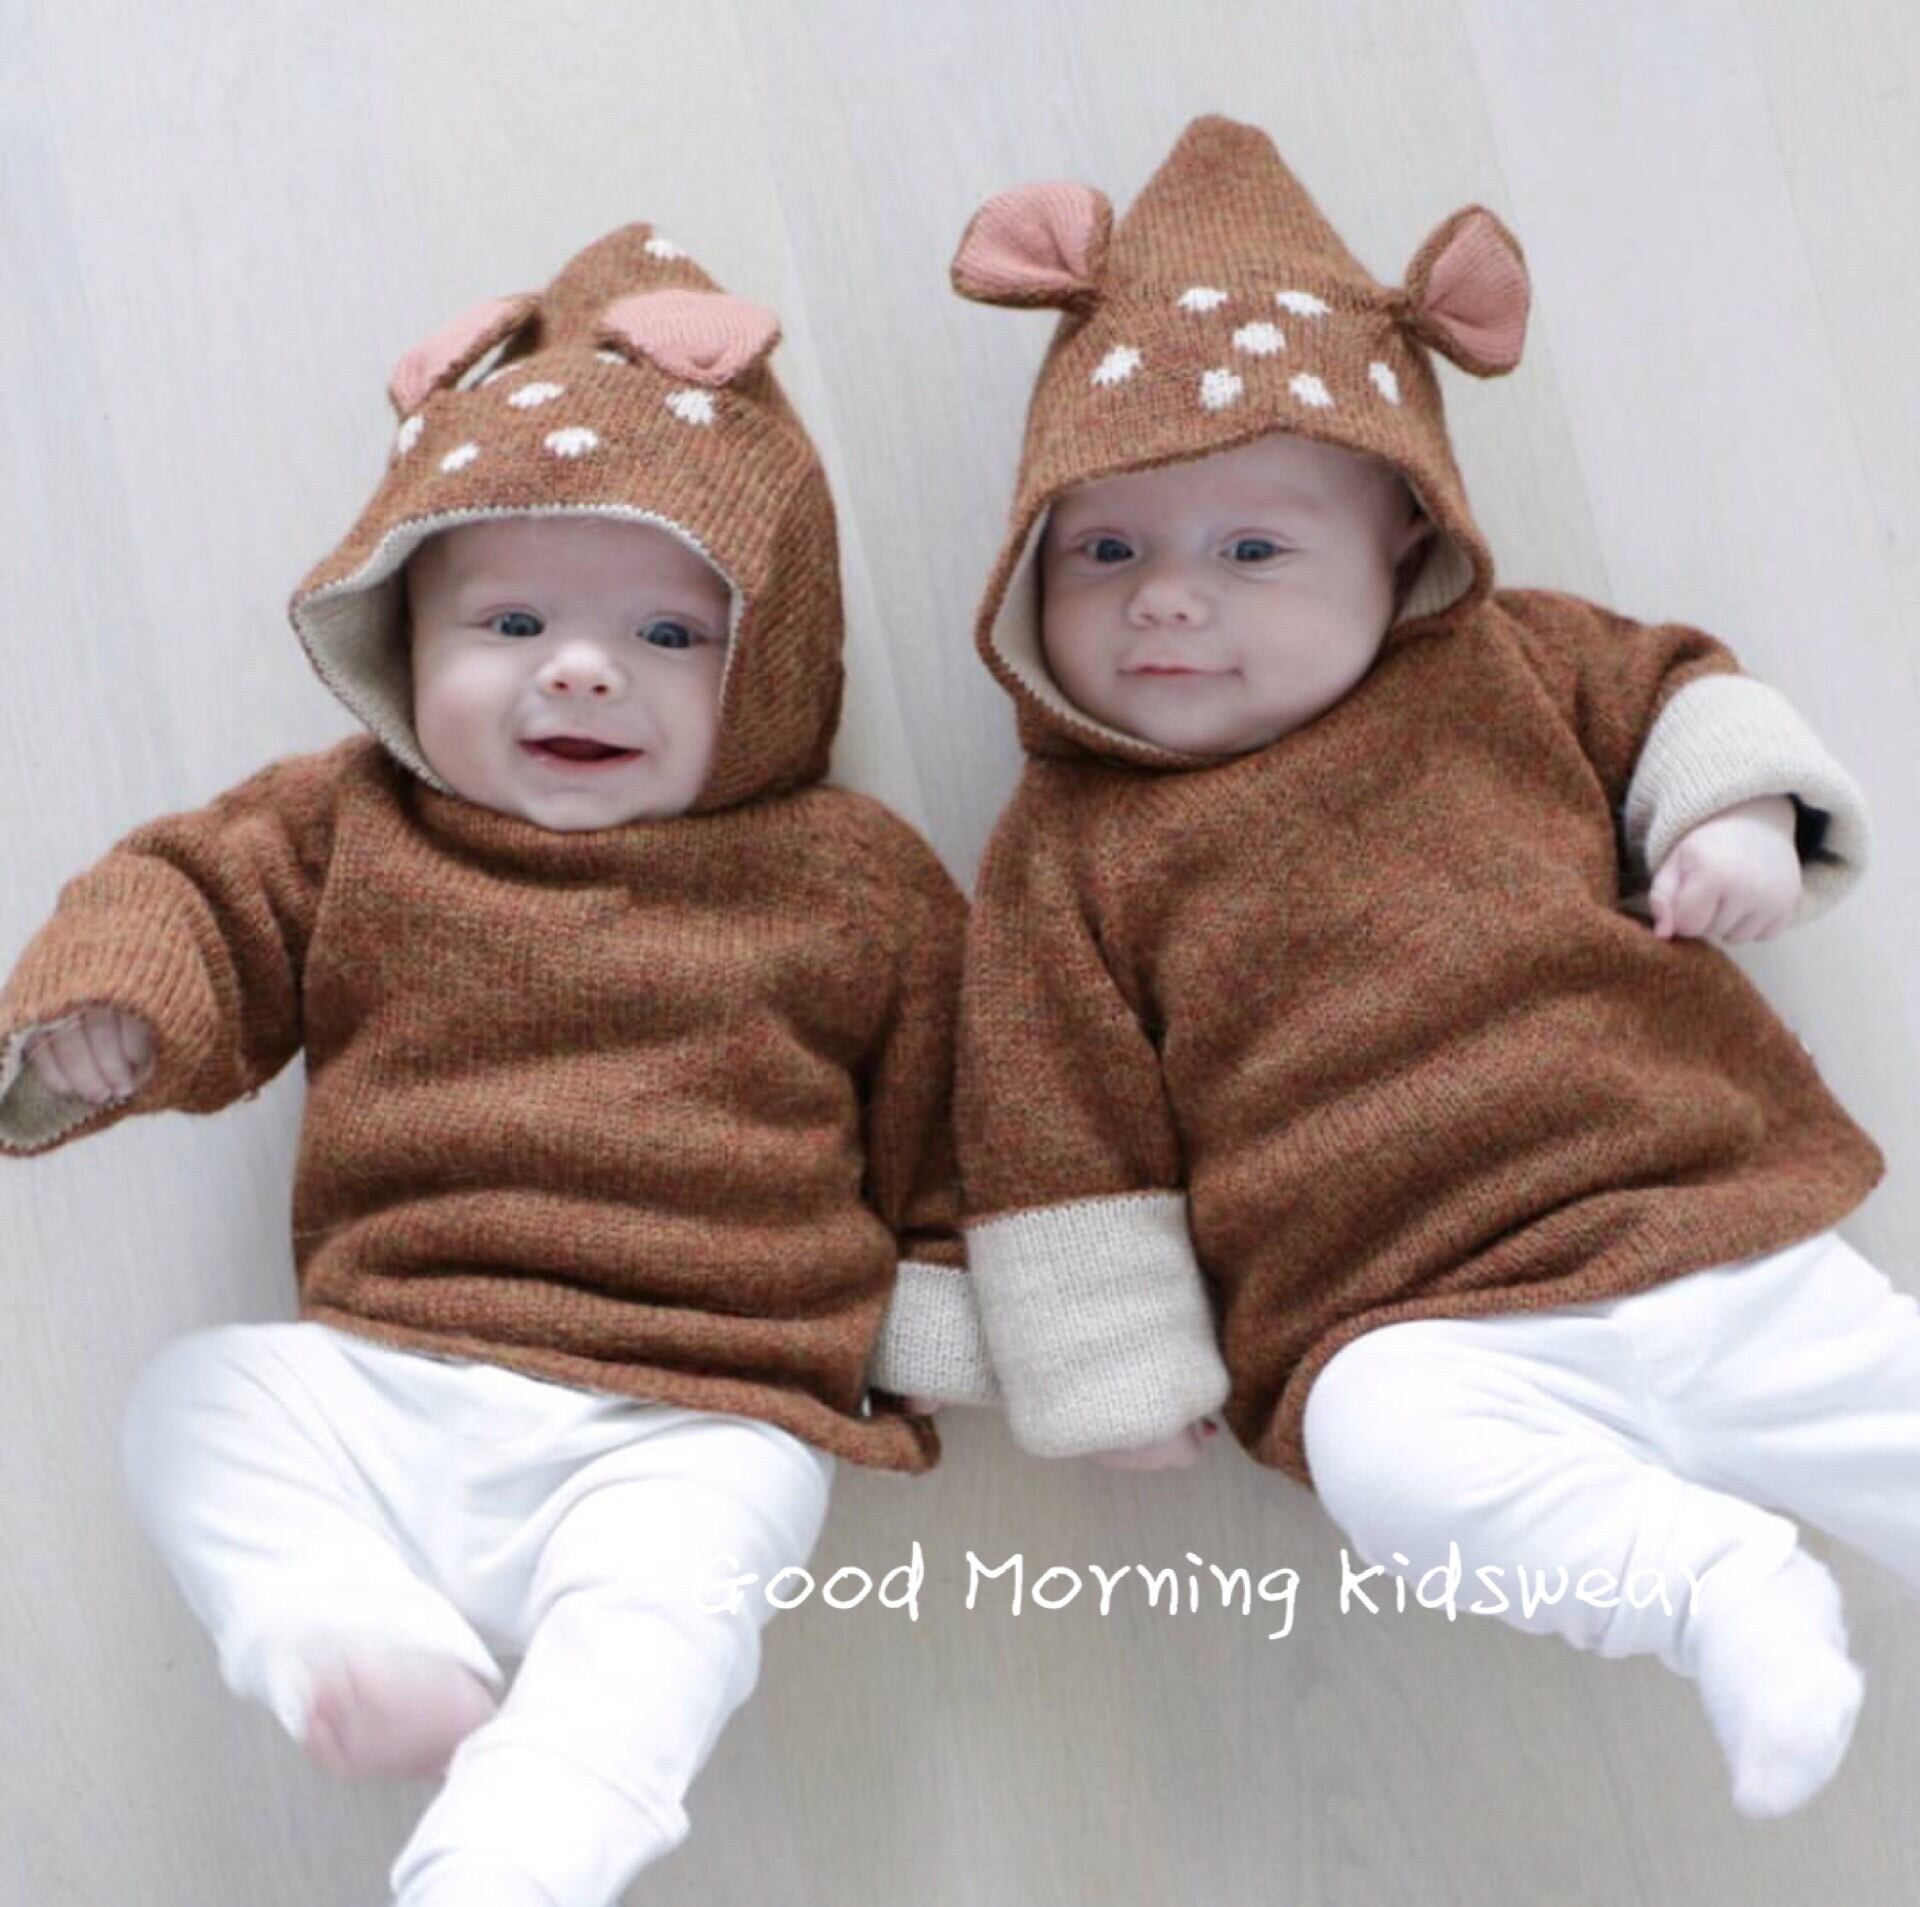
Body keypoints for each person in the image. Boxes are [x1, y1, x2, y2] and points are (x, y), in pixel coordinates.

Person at [0, 221, 993, 1907]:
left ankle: (511, 1862)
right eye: (513, 617)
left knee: (666, 1622)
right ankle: (336, 1630)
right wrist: (117, 1004)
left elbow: (961, 1097)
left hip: (697, 1404)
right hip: (386, 1367)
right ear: (404, 636)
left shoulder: (850, 875)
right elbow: (192, 893)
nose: (582, 667)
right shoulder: (358, 827)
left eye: (669, 636)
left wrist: (951, 1298)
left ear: (777, 658)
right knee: (199, 1401)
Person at [950, 114, 1901, 1818]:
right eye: (1106, 550)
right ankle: (1714, 1591)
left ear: (1402, 533)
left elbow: (1683, 693)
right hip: (1407, 1321)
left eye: (1251, 549)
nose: (1166, 601)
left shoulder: (1511, 665)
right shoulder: (1069, 847)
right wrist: (1114, 1369)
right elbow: (1049, 1118)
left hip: (1698, 1216)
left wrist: (1741, 819)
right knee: (1387, 1467)